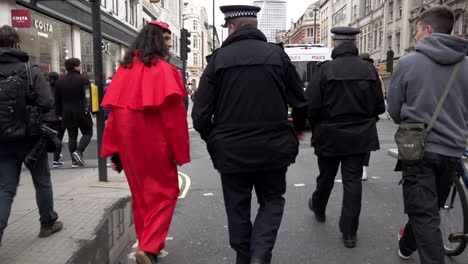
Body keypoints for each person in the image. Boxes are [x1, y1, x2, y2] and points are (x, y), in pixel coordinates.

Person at [192, 5, 307, 264]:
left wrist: (214, 138)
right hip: (274, 147)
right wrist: (297, 130)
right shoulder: (277, 55)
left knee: (237, 207)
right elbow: (300, 102)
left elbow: (199, 115)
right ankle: (260, 255)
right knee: (272, 200)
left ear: (231, 27)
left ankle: (245, 257)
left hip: (232, 151)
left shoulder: (218, 60)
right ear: (255, 26)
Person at [100, 21, 190, 264]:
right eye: (167, 39)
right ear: (157, 41)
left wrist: (114, 150)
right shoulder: (166, 71)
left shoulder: (124, 70)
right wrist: (180, 153)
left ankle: (146, 243)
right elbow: (175, 121)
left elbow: (114, 117)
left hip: (129, 147)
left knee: (141, 197)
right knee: (166, 194)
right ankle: (149, 247)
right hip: (155, 146)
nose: (171, 44)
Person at [387, 6, 468, 263]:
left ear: (428, 30)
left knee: (424, 214)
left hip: (418, 148)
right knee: (428, 210)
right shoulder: (466, 64)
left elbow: (395, 109)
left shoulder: (409, 62)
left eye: (417, 31)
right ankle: (406, 244)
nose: (415, 37)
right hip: (453, 149)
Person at [306, 27, 385, 248]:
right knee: (352, 182)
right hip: (359, 135)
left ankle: (319, 207)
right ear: (355, 43)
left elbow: (311, 105)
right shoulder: (369, 71)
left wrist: (316, 126)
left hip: (330, 133)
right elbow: (379, 105)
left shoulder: (325, 70)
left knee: (326, 176)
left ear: (336, 44)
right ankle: (349, 232)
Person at [0, 25, 63, 244]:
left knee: (5, 187)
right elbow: (47, 102)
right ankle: (48, 223)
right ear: (16, 45)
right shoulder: (29, 70)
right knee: (42, 180)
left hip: (2, 140)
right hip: (31, 137)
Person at [55, 58, 93, 168]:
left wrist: (59, 114)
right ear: (76, 66)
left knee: (72, 136)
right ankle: (79, 152)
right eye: (79, 65)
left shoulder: (60, 81)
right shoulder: (83, 80)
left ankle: (74, 161)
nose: (80, 67)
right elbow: (88, 97)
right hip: (82, 111)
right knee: (87, 133)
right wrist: (93, 110)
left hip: (66, 112)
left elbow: (57, 100)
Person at [357, 53, 385, 181]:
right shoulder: (375, 76)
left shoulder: (355, 73)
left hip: (356, 113)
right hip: (369, 116)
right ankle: (363, 168)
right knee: (366, 144)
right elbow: (381, 95)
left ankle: (357, 167)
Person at [43, 72, 66, 168]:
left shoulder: (44, 88)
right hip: (58, 117)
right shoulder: (61, 88)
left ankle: (42, 161)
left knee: (44, 139)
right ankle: (56, 161)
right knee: (58, 138)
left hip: (45, 117)